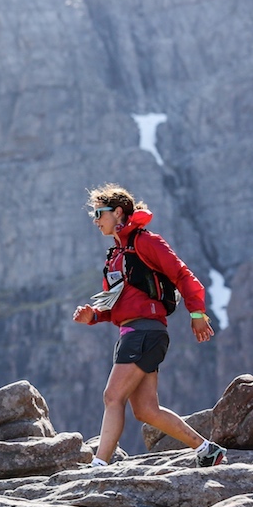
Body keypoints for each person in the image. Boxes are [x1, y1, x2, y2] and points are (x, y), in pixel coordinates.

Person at [72, 183, 226, 467]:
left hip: (144, 332)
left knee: (112, 396)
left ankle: (99, 466)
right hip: (135, 332)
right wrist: (94, 315)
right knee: (146, 410)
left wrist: (197, 313)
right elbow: (118, 303)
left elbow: (181, 274)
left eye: (99, 213)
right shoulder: (115, 256)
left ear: (118, 212)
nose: (96, 220)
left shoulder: (145, 241)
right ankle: (207, 450)